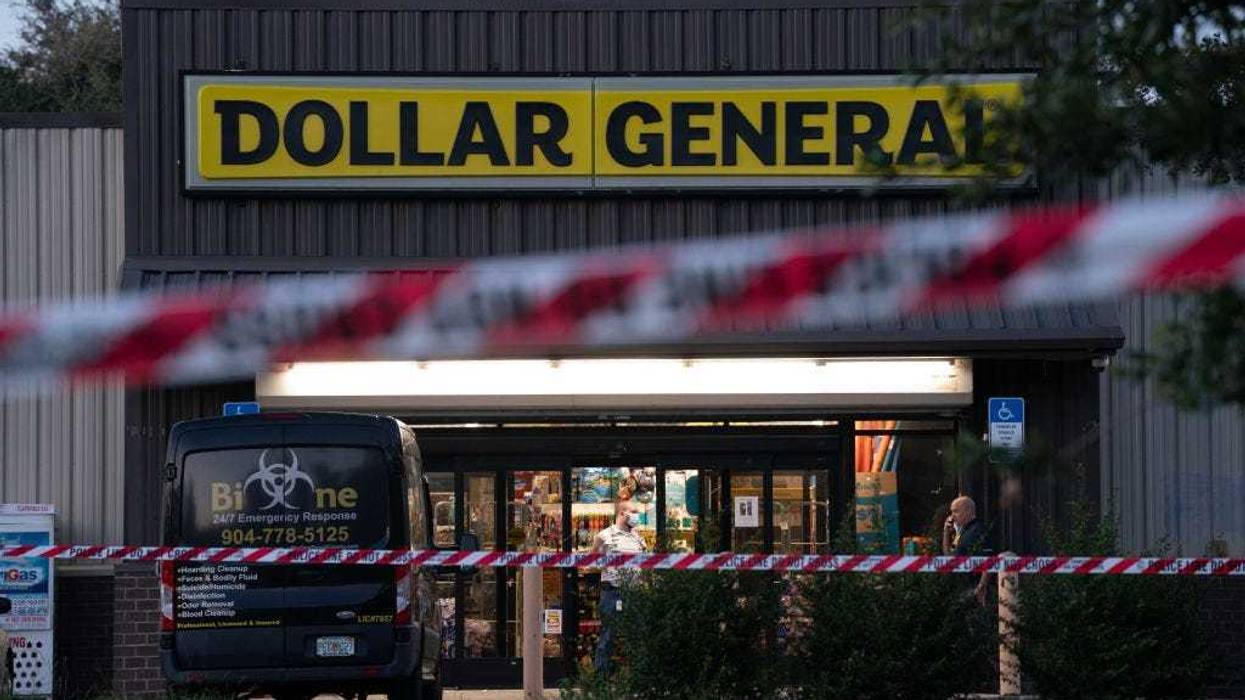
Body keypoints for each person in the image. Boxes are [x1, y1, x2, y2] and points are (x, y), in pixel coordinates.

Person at [592, 499, 646, 674]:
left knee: (637, 636)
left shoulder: (638, 538)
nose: (637, 515)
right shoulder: (604, 536)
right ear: (622, 513)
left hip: (635, 592)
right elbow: (593, 562)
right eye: (634, 511)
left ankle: (636, 678)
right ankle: (601, 680)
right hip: (613, 592)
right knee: (608, 636)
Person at [942, 495, 991, 604]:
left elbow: (989, 560)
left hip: (973, 588)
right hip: (961, 588)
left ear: (968, 511)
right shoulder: (962, 532)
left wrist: (981, 586)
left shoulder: (978, 530)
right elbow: (948, 557)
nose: (952, 516)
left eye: (956, 511)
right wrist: (946, 532)